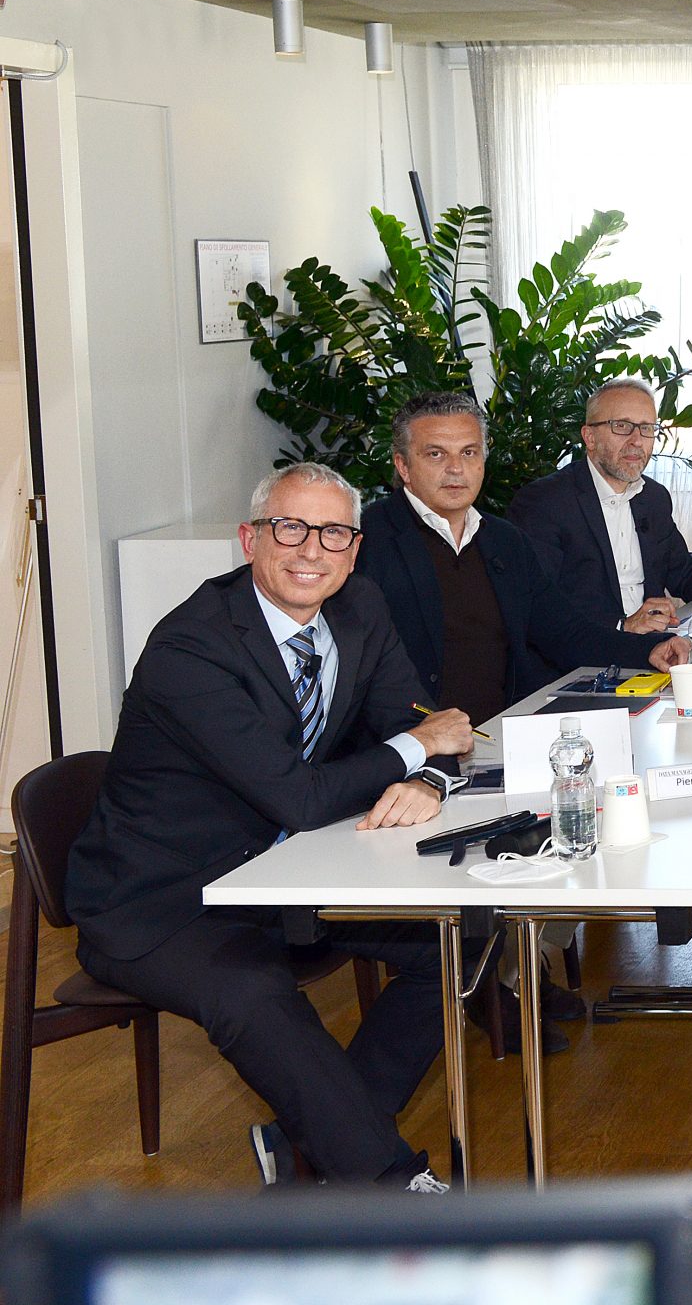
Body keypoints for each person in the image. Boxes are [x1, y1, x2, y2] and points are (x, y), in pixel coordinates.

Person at [64, 463, 478, 1192]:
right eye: (290, 528)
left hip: (284, 873)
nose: (311, 550)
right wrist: (419, 748)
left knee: (460, 934)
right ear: (250, 538)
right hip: (164, 899)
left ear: (355, 549)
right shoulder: (190, 647)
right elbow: (303, 795)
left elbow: (417, 721)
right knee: (253, 991)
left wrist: (427, 776)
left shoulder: (359, 607)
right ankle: (387, 1187)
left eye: (333, 533)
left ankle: (309, 1141)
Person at [358, 391, 688, 722]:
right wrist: (415, 742)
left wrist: (650, 648)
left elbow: (564, 632)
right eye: (436, 454)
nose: (456, 468)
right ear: (403, 466)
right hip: (415, 740)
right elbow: (357, 672)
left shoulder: (504, 540)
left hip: (507, 729)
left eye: (469, 452)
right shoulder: (365, 540)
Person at [507, 379, 692, 659]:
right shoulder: (544, 503)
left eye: (647, 428)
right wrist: (622, 625)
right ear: (590, 437)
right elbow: (540, 609)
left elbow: (683, 572)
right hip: (583, 661)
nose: (636, 441)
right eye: (621, 426)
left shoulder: (653, 497)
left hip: (651, 651)